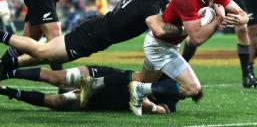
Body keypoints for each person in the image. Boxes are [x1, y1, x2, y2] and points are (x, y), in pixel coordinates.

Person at [104, 0, 248, 116]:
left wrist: (242, 19)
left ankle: (98, 82)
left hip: (164, 44)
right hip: (160, 46)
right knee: (193, 89)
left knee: (141, 78)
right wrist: (218, 20)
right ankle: (139, 90)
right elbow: (197, 38)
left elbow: (242, 12)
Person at [0, 0, 183, 75]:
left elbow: (167, 6)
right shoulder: (147, 5)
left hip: (96, 32)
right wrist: (186, 30)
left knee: (45, 55)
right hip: (91, 36)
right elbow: (159, 30)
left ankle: (5, 68)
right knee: (42, 51)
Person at [0, 65, 173, 114]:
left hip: (102, 100)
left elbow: (164, 109)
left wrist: (151, 107)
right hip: (103, 76)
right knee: (57, 78)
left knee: (57, 102)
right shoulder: (159, 68)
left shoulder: (173, 91)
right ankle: (7, 72)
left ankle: (6, 90)